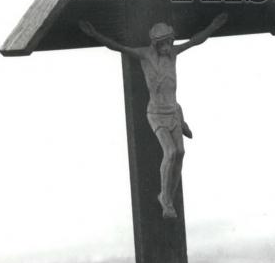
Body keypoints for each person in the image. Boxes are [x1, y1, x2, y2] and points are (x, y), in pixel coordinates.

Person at [78, 13, 228, 218]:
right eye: (163, 44)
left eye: (169, 42)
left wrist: (213, 26)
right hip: (156, 113)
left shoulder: (173, 54)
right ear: (155, 44)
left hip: (174, 110)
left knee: (181, 153)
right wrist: (95, 34)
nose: (167, 47)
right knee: (171, 152)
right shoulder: (144, 55)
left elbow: (195, 41)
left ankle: (169, 197)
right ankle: (164, 199)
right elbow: (118, 47)